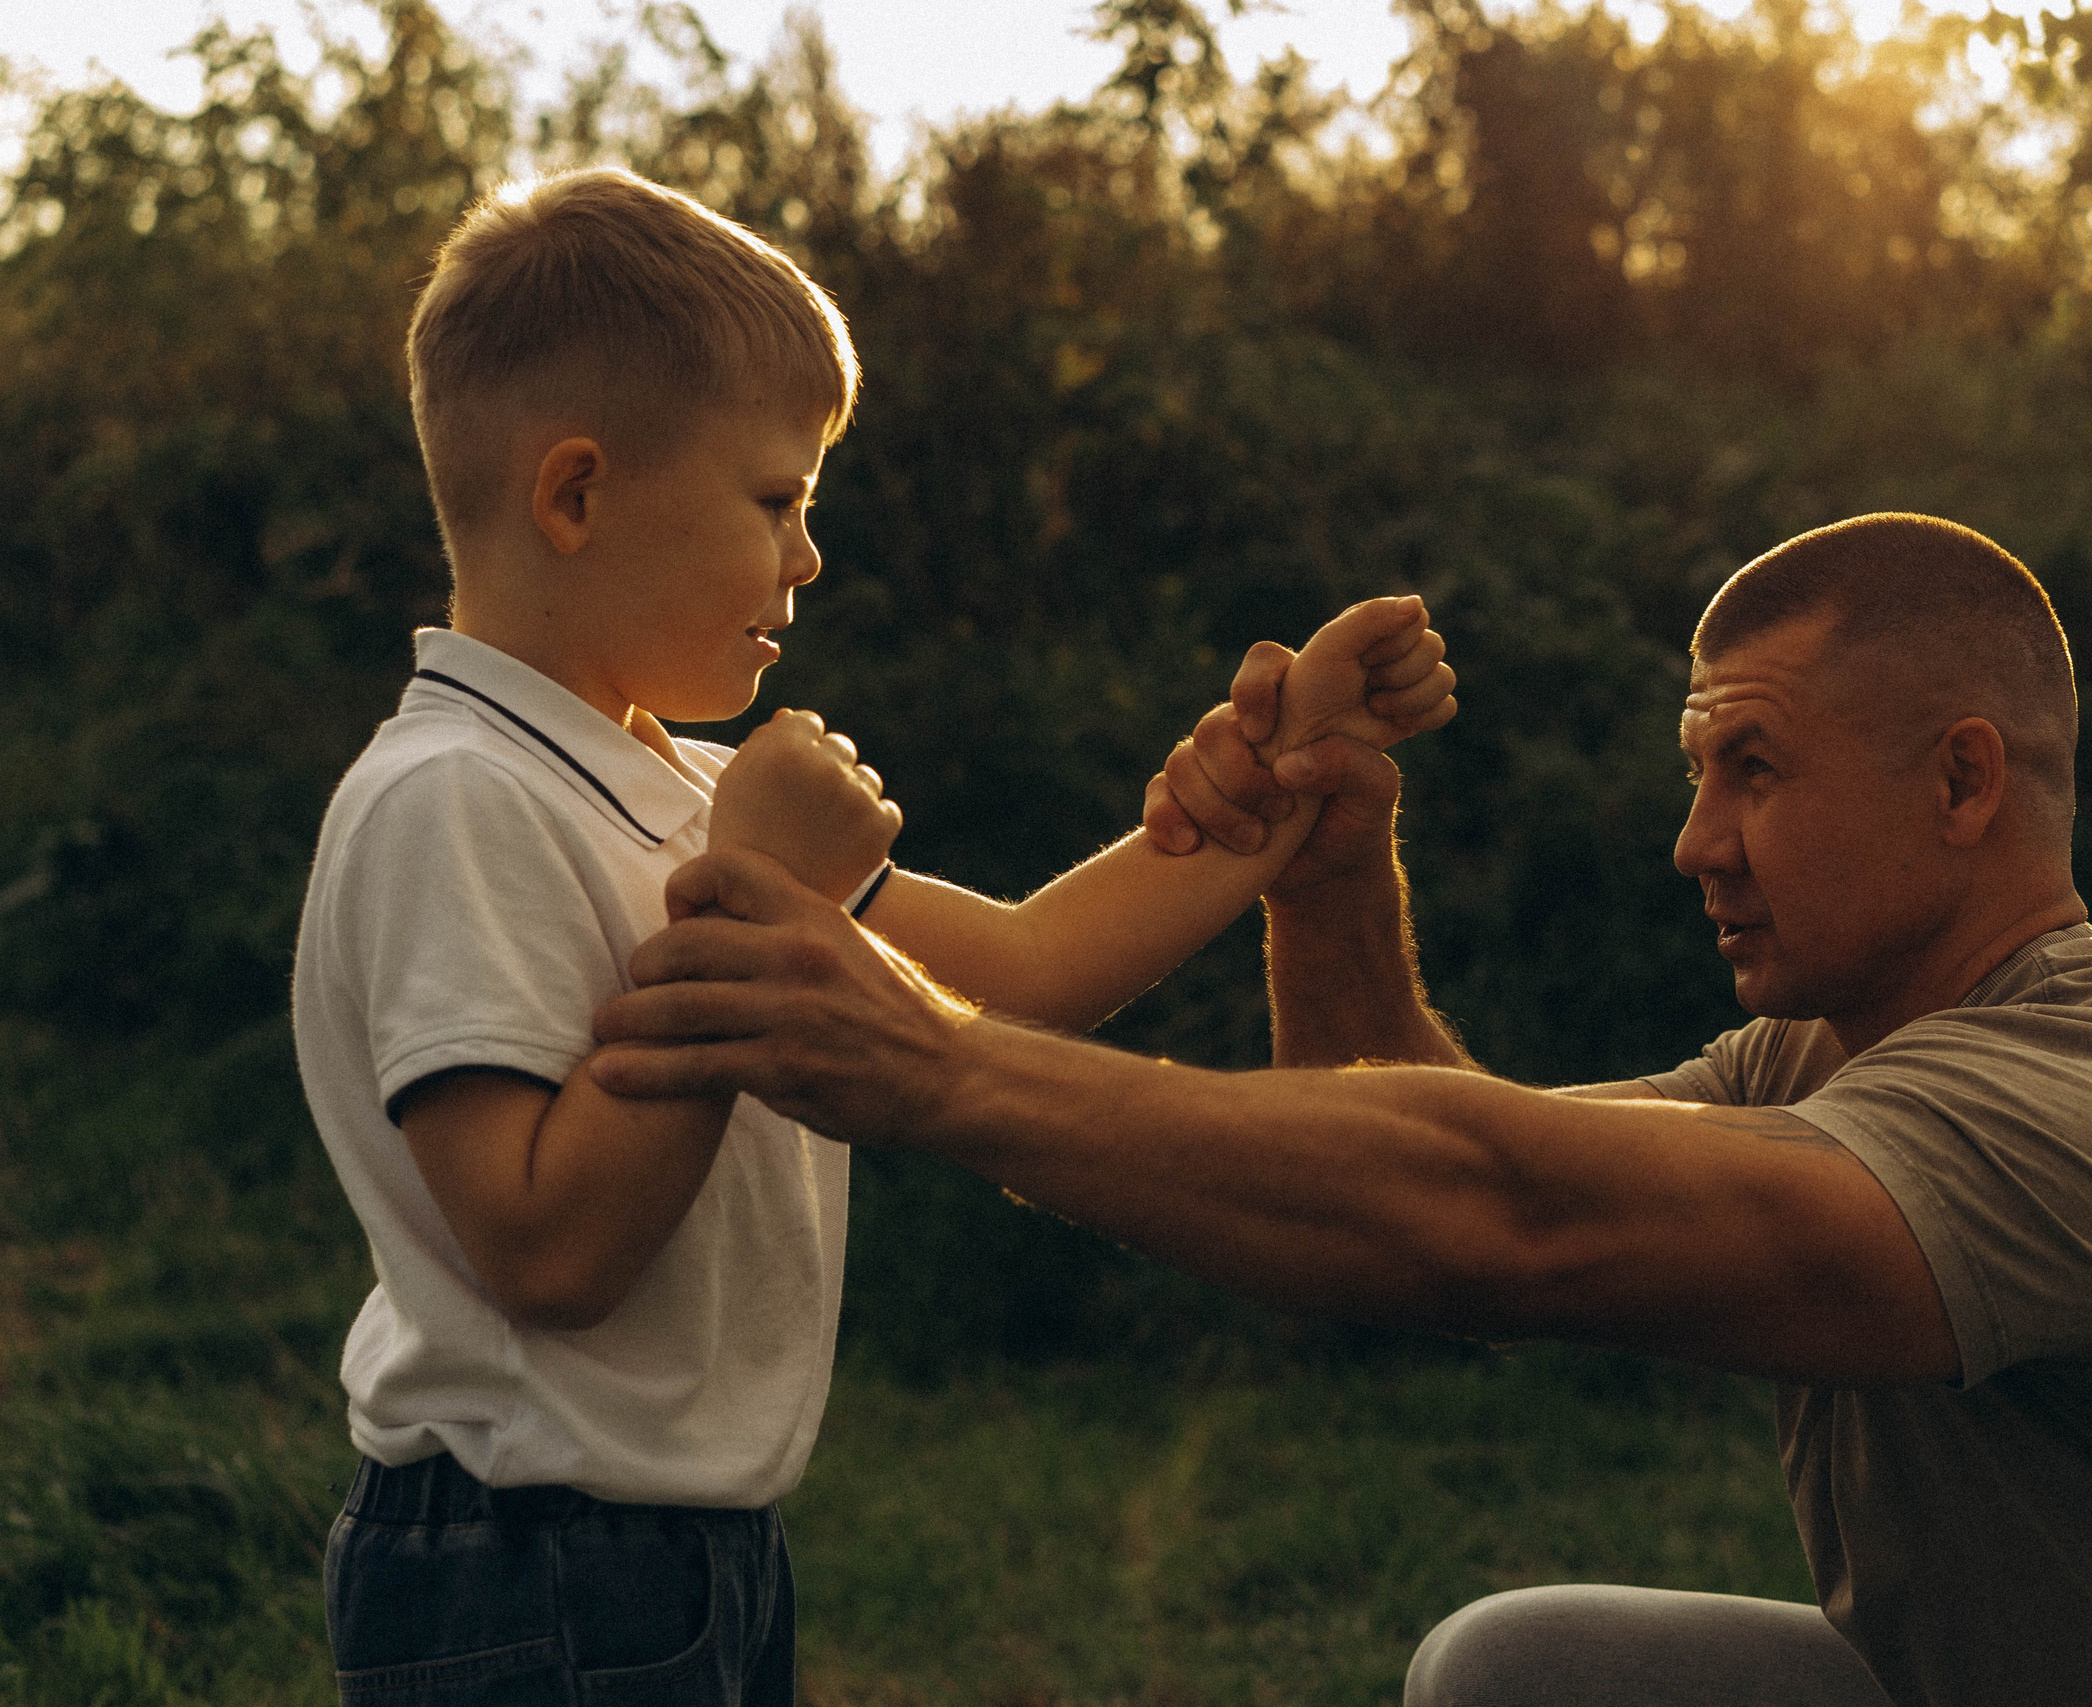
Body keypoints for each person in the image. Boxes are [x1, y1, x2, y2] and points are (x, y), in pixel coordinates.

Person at [587, 513, 2092, 1706]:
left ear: (1964, 782)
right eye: (1698, 775)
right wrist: (1329, 876)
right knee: (1532, 1676)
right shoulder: (1839, 1057)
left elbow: (1514, 1224)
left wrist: (932, 1062)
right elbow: (1439, 1159)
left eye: (1753, 769)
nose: (1694, 840)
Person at [290, 164, 1455, 1703]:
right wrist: (755, 890)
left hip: (686, 1549)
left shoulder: (689, 791)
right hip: (528, 1561)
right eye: (777, 501)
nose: (808, 556)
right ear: (575, 496)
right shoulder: (455, 798)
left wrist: (1279, 774)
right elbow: (547, 1249)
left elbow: (1025, 973)